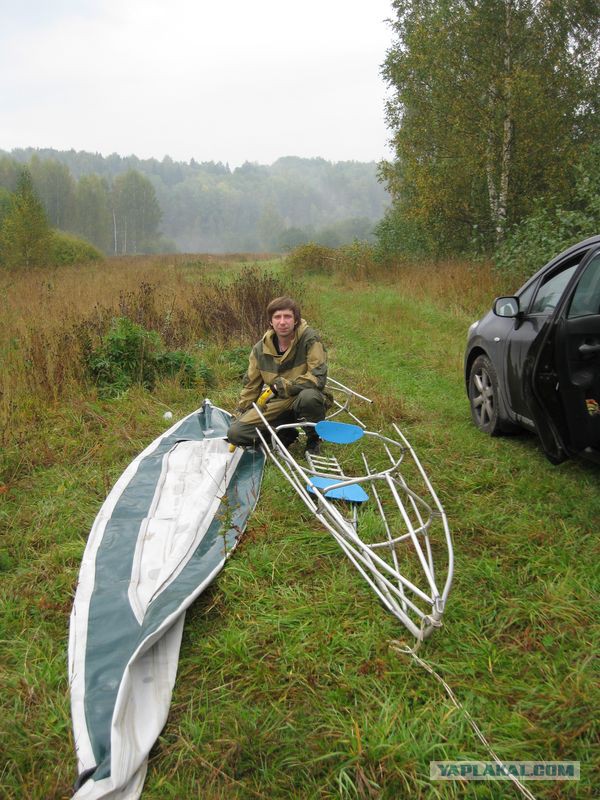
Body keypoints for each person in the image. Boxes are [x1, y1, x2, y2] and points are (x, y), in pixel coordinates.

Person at [227, 296, 329, 453]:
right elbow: (251, 386)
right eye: (277, 317)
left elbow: (318, 378)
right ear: (270, 321)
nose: (282, 322)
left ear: (295, 320)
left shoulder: (310, 339)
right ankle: (285, 433)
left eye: (287, 316)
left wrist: (284, 386)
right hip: (278, 402)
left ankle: (314, 439)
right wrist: (241, 411)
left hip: (304, 396)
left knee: (309, 398)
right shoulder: (259, 349)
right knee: (235, 433)